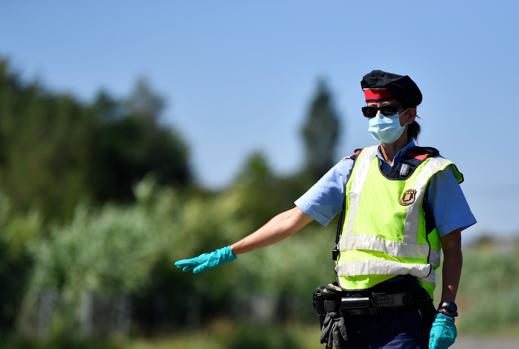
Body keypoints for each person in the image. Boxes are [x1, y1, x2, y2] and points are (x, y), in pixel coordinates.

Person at [174, 69, 476, 349]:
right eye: (371, 111)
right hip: (350, 321)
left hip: (403, 320)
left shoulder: (434, 172)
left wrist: (446, 309)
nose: (377, 117)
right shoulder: (352, 168)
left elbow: (453, 246)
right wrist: (230, 251)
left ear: (409, 115)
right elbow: (292, 219)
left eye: (387, 110)